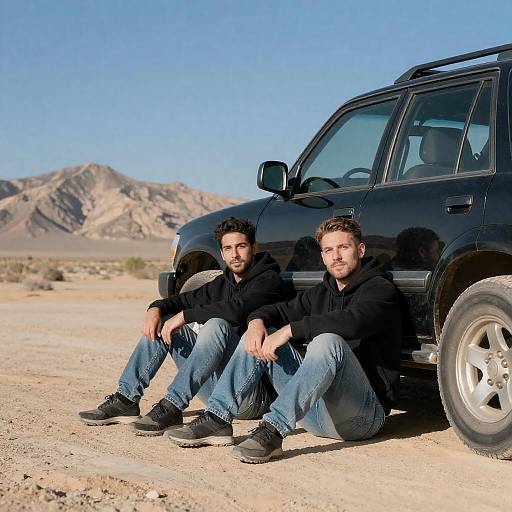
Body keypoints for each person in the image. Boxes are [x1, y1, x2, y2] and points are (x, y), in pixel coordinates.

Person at [166, 217, 402, 463]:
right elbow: (278, 310)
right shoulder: (322, 293)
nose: (337, 256)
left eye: (344, 248)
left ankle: (272, 430)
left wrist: (288, 331)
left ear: (360, 250)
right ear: (322, 257)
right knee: (257, 333)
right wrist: (257, 321)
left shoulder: (379, 290)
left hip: (361, 418)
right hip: (313, 414)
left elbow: (352, 322)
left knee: (327, 342)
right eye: (329, 250)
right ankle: (217, 418)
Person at [79, 217, 284, 436]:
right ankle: (125, 399)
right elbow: (182, 300)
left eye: (241, 246)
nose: (234, 254)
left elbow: (237, 310)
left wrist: (184, 316)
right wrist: (155, 308)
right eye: (228, 248)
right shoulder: (223, 284)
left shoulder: (269, 280)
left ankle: (172, 406)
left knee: (216, 324)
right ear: (222, 253)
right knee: (164, 323)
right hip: (215, 389)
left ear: (254, 247)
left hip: (248, 395)